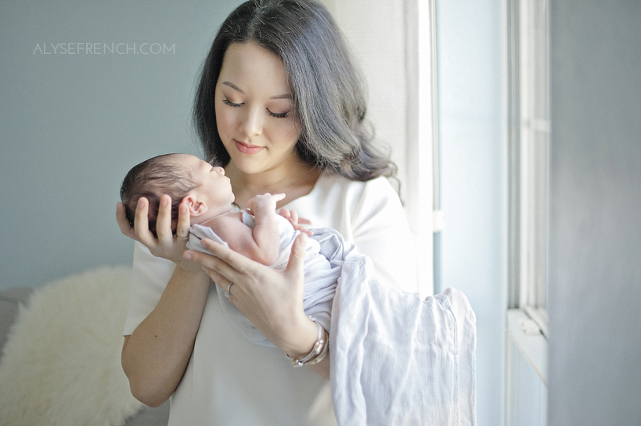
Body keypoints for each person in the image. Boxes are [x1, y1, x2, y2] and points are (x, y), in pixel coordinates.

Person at [116, 0, 418, 424]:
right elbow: (147, 387)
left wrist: (293, 334)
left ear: (317, 105)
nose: (249, 128)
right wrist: (190, 267)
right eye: (233, 100)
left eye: (279, 110)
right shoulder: (183, 210)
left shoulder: (362, 201)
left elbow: (397, 371)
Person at [120, 152, 342, 349]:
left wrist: (277, 224)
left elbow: (259, 244)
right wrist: (265, 208)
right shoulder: (220, 226)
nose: (218, 168)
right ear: (196, 205)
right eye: (209, 170)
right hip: (310, 299)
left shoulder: (219, 227)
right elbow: (264, 254)